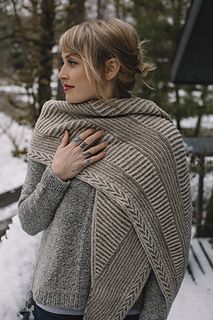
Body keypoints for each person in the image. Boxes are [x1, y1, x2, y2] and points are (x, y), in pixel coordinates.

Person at [18, 17, 192, 320]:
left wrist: (153, 316)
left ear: (109, 69)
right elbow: (29, 221)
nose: (61, 73)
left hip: (126, 310)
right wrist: (56, 175)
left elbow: (171, 244)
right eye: (62, 62)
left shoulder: (159, 140)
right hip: (54, 308)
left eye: (72, 62)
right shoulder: (53, 127)